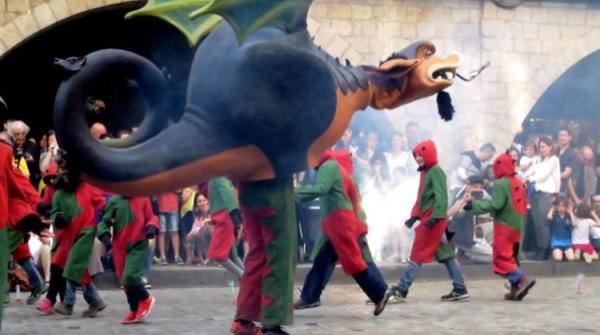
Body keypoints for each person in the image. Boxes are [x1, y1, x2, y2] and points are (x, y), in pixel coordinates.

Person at [292, 149, 393, 314]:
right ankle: (309, 297)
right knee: (322, 261)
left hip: (339, 221)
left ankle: (380, 292)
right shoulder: (335, 167)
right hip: (335, 222)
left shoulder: (328, 165)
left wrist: (294, 193)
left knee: (353, 261)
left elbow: (321, 188)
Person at [391, 140, 469, 302]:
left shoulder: (435, 171)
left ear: (429, 153)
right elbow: (421, 198)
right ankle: (460, 287)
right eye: (416, 155)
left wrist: (435, 217)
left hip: (435, 221)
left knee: (418, 254)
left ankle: (402, 288)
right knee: (446, 254)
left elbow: (441, 197)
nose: (418, 158)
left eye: (421, 154)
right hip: (434, 219)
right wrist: (413, 217)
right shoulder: (426, 172)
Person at [465, 152, 536, 301]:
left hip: (505, 223)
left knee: (501, 257)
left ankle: (522, 278)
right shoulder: (518, 182)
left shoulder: (501, 183)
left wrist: (475, 204)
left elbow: (496, 204)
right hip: (519, 224)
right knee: (512, 257)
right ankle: (515, 289)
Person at [50, 151, 107, 317]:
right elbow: (55, 212)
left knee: (72, 266)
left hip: (86, 232)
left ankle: (68, 303)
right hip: (68, 236)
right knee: (79, 269)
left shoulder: (87, 187)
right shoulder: (59, 194)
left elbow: (101, 202)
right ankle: (95, 301)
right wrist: (58, 218)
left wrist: (111, 216)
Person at [99, 195, 159, 324]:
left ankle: (145, 298)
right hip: (119, 246)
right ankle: (134, 308)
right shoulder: (114, 201)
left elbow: (151, 216)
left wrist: (151, 226)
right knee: (124, 280)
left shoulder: (144, 198)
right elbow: (105, 221)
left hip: (138, 242)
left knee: (130, 275)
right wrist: (105, 235)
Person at [523, 136, 560, 259]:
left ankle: (545, 250)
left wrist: (528, 179)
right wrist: (523, 177)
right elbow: (531, 171)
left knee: (543, 223)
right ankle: (540, 248)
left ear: (550, 146)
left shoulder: (554, 159)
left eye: (544, 146)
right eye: (540, 147)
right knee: (537, 223)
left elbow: (542, 176)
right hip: (535, 194)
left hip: (546, 194)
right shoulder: (540, 160)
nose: (542, 149)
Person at [207, 177, 244, 279]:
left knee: (217, 255)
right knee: (233, 256)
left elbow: (229, 200)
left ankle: (245, 278)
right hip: (225, 217)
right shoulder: (220, 178)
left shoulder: (216, 178)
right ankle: (248, 278)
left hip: (224, 218)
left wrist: (237, 221)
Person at [156, 191, 183, 265]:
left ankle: (176, 256)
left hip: (173, 206)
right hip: (161, 206)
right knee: (162, 232)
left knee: (175, 231)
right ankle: (162, 256)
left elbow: (179, 190)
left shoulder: (174, 179)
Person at [546, 196, 575, 262]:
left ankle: (564, 254)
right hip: (556, 242)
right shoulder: (554, 215)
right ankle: (553, 254)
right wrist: (552, 208)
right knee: (558, 259)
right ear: (556, 206)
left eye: (563, 206)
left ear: (566, 207)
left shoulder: (568, 216)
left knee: (571, 258)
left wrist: (570, 212)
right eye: (559, 206)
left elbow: (574, 224)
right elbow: (548, 217)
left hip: (567, 242)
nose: (561, 208)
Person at [557, 129, 579, 197]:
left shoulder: (572, 154)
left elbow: (566, 174)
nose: (562, 137)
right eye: (560, 135)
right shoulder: (555, 151)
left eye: (564, 135)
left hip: (563, 189)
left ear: (569, 137)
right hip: (551, 187)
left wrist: (550, 177)